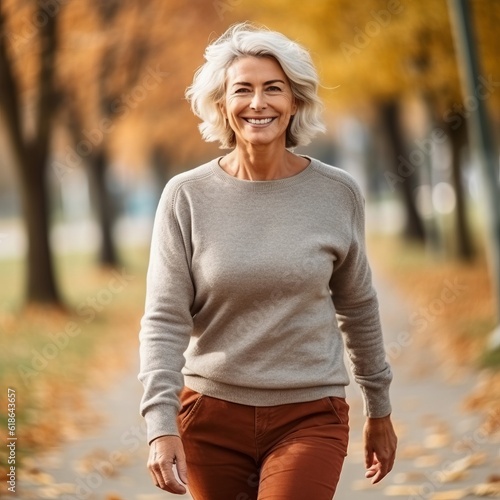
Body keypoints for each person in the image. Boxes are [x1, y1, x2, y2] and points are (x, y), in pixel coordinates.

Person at [138, 22, 397, 500]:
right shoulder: (186, 196)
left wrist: (378, 408)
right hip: (210, 415)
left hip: (310, 413)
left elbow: (358, 306)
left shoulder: (336, 193)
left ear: (295, 101)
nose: (258, 103)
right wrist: (160, 423)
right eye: (243, 90)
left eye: (273, 89)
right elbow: (164, 319)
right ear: (222, 104)